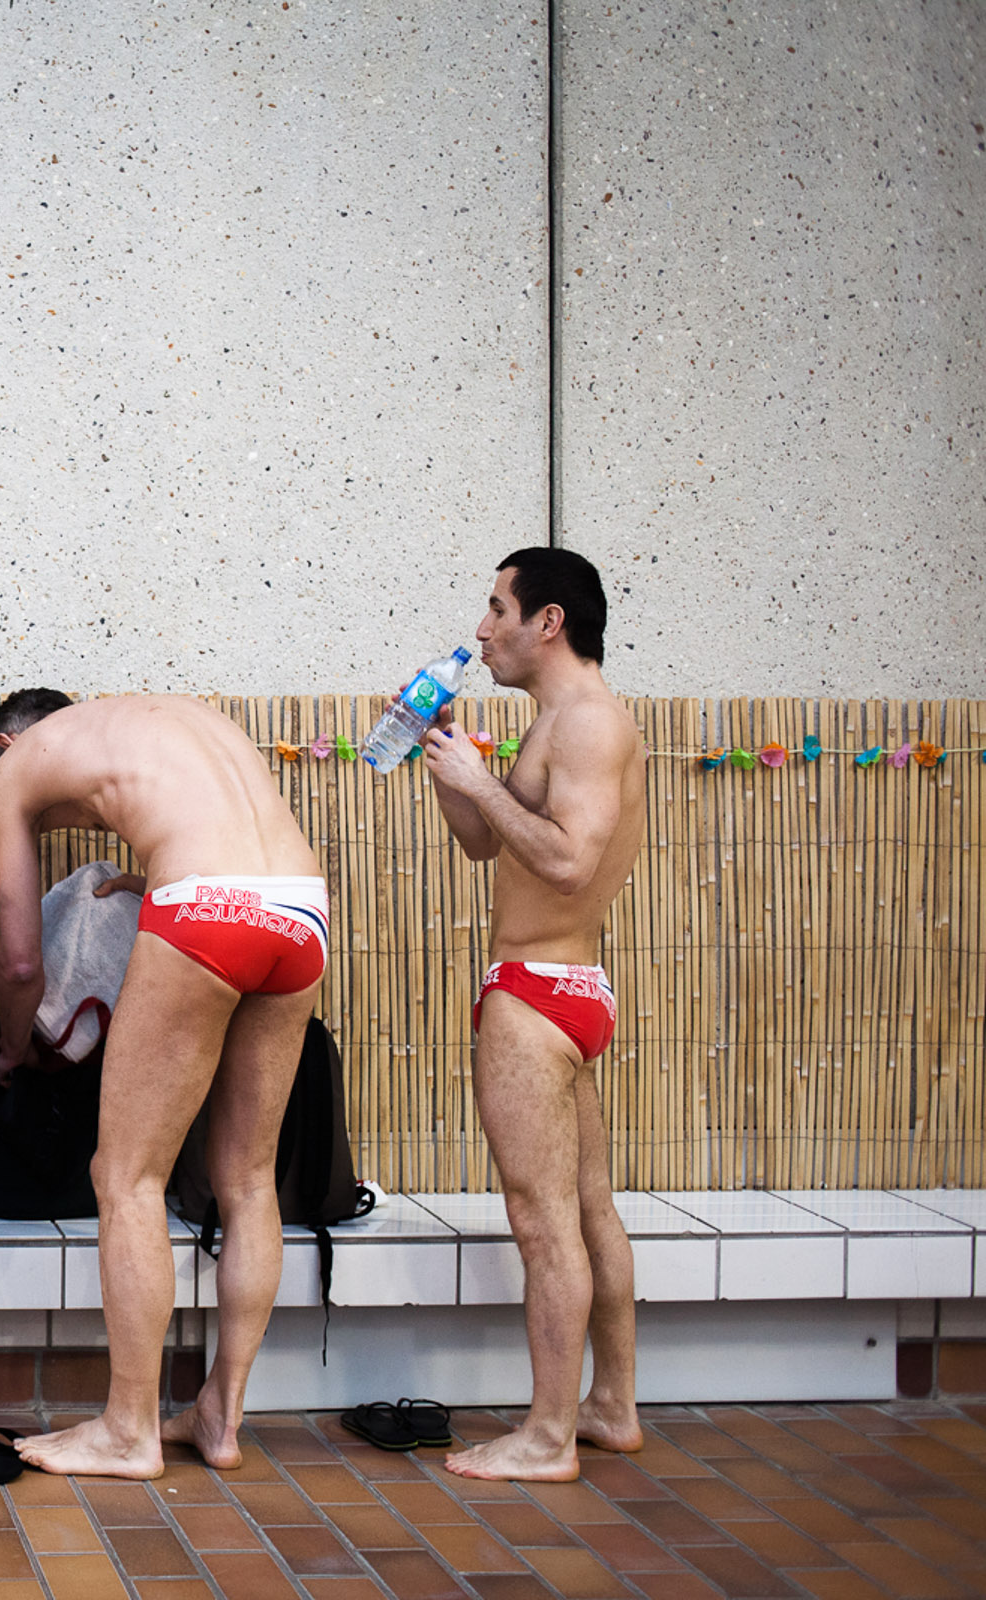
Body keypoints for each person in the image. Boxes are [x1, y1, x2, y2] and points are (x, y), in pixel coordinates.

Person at [0, 691, 327, 1479]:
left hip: (206, 909)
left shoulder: (12, 771)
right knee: (247, 1177)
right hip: (302, 909)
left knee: (126, 1176)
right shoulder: (174, 721)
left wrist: (10, 1046)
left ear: (5, 743)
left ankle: (127, 1429)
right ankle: (220, 1414)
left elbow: (23, 964)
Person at [423, 548, 647, 1482]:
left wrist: (479, 784)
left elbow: (565, 862)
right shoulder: (554, 721)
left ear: (546, 621)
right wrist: (450, 764)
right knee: (585, 1206)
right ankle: (608, 1408)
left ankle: (547, 1438)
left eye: (494, 608)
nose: (480, 630)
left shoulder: (589, 723)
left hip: (538, 996)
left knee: (539, 1217)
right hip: (566, 991)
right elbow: (487, 845)